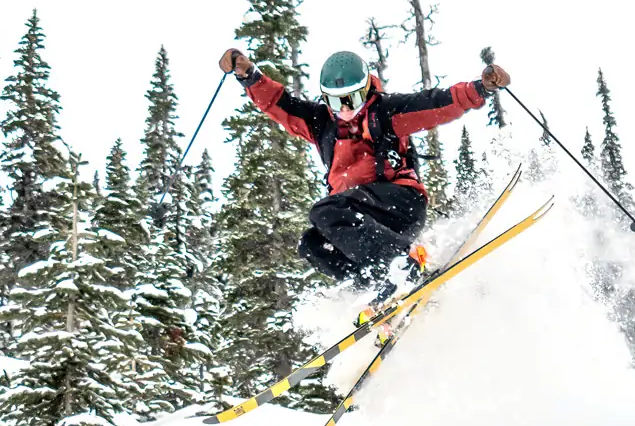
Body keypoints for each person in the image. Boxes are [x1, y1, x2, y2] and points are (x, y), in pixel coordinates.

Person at [217, 45, 510, 293]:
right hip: (360, 222)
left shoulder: (386, 111)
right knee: (311, 244)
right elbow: (282, 105)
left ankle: (402, 264)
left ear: (366, 90)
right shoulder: (321, 124)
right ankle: (378, 286)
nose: (345, 108)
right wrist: (248, 75)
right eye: (336, 101)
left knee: (324, 211)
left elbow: (435, 103)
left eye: (351, 99)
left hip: (399, 204)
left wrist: (480, 88)